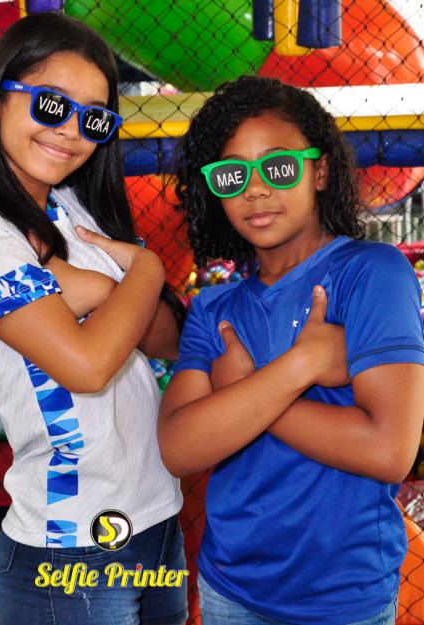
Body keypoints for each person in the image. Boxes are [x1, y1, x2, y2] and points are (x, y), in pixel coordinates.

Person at [0, 12, 187, 625]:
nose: (70, 130)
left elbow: (169, 337)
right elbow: (87, 366)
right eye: (51, 103)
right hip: (72, 544)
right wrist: (135, 275)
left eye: (94, 118)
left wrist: (101, 290)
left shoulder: (72, 207)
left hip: (156, 516)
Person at [158, 75, 424, 625]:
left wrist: (240, 394)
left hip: (342, 594)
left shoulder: (371, 274)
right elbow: (180, 449)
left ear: (319, 171)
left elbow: (387, 450)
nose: (254, 189)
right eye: (231, 174)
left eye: (278, 167)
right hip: (231, 586)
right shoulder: (214, 309)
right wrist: (299, 366)